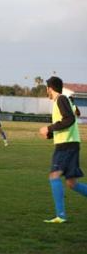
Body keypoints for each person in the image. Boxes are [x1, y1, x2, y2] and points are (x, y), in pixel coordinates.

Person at [39, 76, 87, 223]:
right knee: (72, 183)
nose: (46, 90)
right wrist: (50, 133)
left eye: (46, 88)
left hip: (66, 146)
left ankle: (61, 216)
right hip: (69, 144)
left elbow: (69, 119)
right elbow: (68, 121)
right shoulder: (62, 101)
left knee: (54, 176)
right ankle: (61, 216)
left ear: (50, 88)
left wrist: (49, 128)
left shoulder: (61, 99)